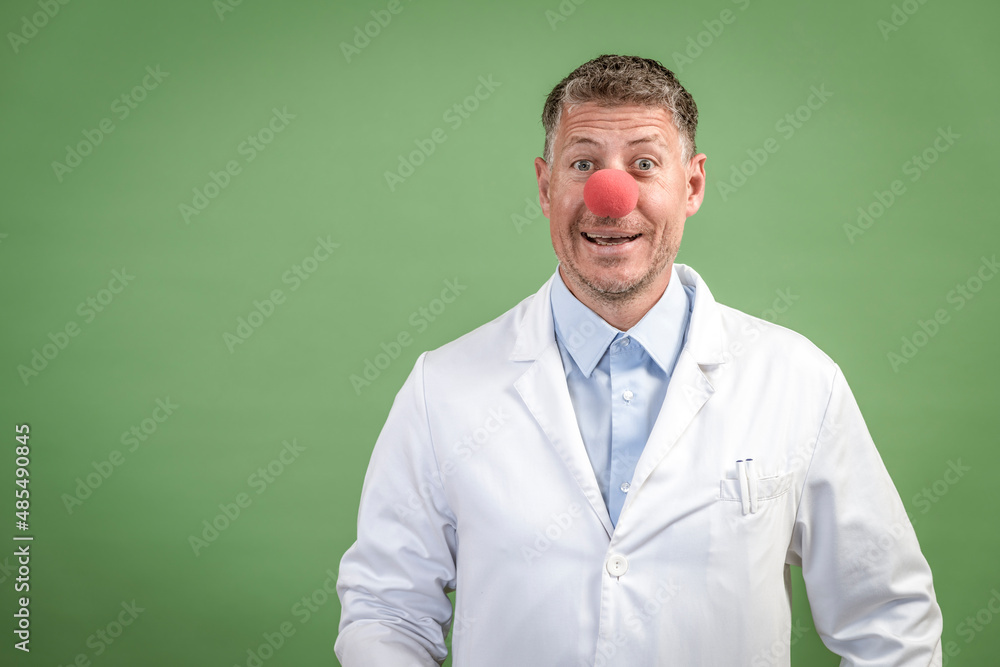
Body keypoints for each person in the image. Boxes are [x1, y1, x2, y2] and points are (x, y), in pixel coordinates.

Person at [335, 54, 942, 666]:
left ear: (693, 185)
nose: (610, 195)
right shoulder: (442, 388)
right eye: (583, 164)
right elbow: (386, 612)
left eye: (644, 164)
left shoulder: (799, 383)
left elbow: (889, 621)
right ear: (546, 188)